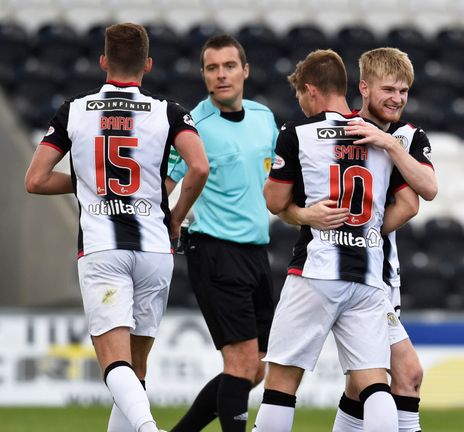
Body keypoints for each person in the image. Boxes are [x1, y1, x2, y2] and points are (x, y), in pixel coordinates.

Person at [24, 23, 209, 432]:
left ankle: (147, 429)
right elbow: (199, 166)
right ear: (148, 64)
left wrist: (87, 179)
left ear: (104, 62)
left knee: (114, 363)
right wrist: (175, 218)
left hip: (103, 249)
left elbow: (35, 180)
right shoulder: (169, 111)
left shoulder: (74, 110)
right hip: (155, 249)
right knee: (136, 368)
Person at [254, 49, 404, 432]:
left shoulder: (297, 134)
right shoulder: (380, 137)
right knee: (375, 385)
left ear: (310, 91)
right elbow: (412, 201)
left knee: (282, 383)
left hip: (316, 270)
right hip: (369, 276)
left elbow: (274, 201)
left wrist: (303, 213)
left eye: (301, 97)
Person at [165, 34, 279, 432]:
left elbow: (282, 180)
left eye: (229, 66)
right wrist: (170, 219)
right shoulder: (193, 125)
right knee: (241, 364)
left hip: (255, 252)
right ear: (203, 75)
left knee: (257, 370)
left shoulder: (264, 118)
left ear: (245, 70)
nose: (221, 75)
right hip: (214, 250)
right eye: (212, 68)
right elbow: (165, 181)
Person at [333, 47, 437, 432]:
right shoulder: (340, 131)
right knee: (406, 373)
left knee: (362, 385)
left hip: (383, 274)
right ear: (364, 87)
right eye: (388, 89)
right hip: (356, 274)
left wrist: (389, 143)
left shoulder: (407, 136)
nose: (397, 99)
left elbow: (426, 190)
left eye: (404, 91)